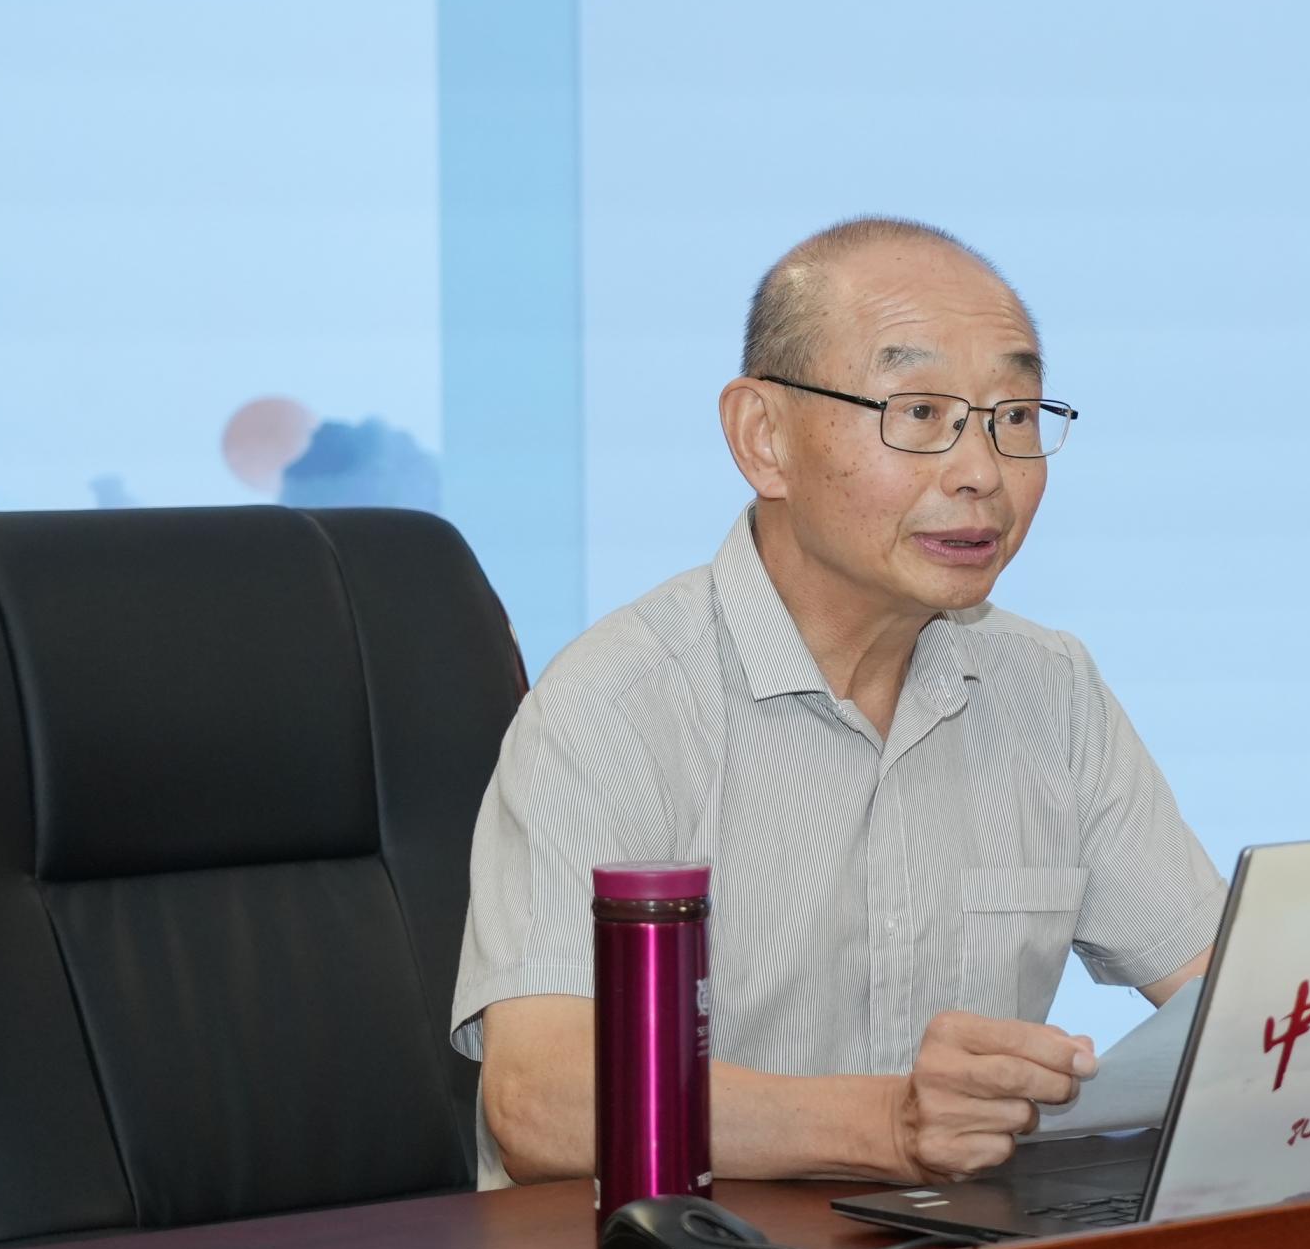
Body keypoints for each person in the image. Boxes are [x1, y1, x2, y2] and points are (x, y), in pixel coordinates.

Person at [449, 217, 1225, 1189]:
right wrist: (885, 1125)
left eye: (1016, 416)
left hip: (956, 1246)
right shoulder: (619, 703)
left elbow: (1231, 1004)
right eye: (919, 412)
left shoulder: (1049, 689)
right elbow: (541, 1100)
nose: (982, 471)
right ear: (763, 438)